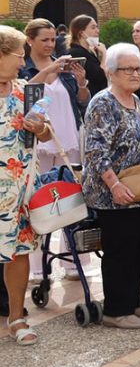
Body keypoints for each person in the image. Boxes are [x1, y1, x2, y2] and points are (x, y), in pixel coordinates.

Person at [82, 44, 140, 329]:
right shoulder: (103, 102)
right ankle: (116, 309)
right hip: (114, 193)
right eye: (128, 69)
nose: (135, 73)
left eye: (138, 68)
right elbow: (95, 150)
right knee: (120, 249)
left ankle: (134, 300)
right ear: (110, 72)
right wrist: (115, 184)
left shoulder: (133, 98)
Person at [21, 19, 91, 278]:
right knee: (38, 202)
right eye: (45, 40)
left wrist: (81, 83)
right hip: (37, 145)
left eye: (53, 40)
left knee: (70, 199)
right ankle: (37, 266)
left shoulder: (64, 69)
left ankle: (73, 262)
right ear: (30, 41)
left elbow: (82, 102)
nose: (50, 44)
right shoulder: (24, 68)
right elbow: (25, 95)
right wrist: (48, 69)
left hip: (67, 142)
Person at [0, 24, 54, 344]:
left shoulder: (29, 91)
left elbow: (46, 134)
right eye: (18, 55)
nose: (23, 62)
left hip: (20, 190)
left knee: (19, 254)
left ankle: (17, 318)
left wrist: (40, 128)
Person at [68, 14, 107, 96]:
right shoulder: (77, 53)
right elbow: (101, 76)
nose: (97, 31)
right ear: (81, 33)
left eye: (97, 27)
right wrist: (104, 54)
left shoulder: (88, 52)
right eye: (93, 28)